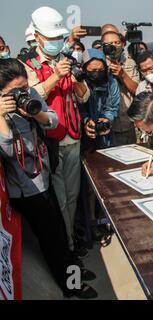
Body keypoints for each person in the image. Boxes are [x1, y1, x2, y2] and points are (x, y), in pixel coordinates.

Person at [0, 58, 97, 299]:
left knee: (60, 232)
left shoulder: (30, 93)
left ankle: (74, 271)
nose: (23, 94)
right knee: (51, 239)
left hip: (43, 174)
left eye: (24, 87)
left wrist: (35, 112)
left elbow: (53, 120)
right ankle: (71, 286)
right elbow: (10, 151)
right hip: (25, 188)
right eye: (15, 92)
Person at [21, 7, 90, 251]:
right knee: (58, 199)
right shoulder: (27, 65)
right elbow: (30, 98)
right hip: (47, 141)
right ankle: (66, 247)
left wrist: (77, 81)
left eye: (58, 38)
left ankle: (72, 242)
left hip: (73, 137)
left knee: (72, 196)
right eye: (50, 39)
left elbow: (84, 97)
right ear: (37, 37)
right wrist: (54, 78)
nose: (55, 43)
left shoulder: (67, 60)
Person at [101, 30, 140, 146]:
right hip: (107, 126)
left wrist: (123, 75)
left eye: (117, 42)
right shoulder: (98, 63)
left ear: (123, 44)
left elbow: (137, 91)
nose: (114, 46)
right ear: (103, 46)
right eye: (110, 43)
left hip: (128, 122)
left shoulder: (130, 63)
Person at [80, 49, 120, 150]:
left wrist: (107, 120)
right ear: (84, 69)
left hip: (106, 134)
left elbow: (112, 106)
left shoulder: (111, 82)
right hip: (82, 135)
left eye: (100, 70)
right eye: (92, 71)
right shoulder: (79, 83)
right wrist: (86, 121)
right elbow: (78, 107)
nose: (97, 74)